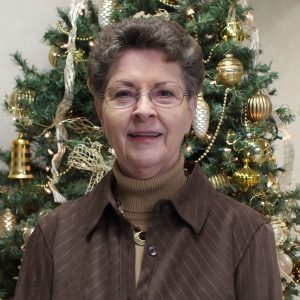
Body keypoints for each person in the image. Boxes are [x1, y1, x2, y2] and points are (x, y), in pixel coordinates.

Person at [14, 17, 282, 299]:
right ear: (100, 110)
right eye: (124, 94)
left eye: (164, 93)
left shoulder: (245, 235)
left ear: (191, 108)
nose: (143, 110)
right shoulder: (53, 237)